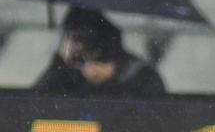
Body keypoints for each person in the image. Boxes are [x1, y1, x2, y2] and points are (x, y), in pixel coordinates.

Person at [34, 6, 165, 97]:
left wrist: (109, 83)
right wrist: (59, 63)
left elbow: (152, 116)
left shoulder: (138, 75)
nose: (87, 67)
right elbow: (36, 102)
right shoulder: (68, 73)